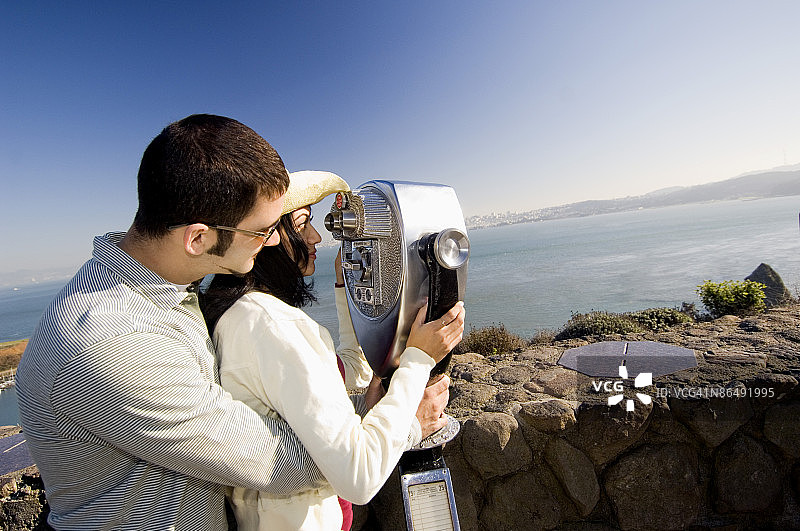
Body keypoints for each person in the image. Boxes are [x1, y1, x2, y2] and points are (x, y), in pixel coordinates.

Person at [15, 114, 450, 530]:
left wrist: (360, 412)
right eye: (262, 230)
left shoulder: (160, 292)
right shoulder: (115, 343)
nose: (276, 238)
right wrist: (405, 420)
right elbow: (281, 462)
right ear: (198, 237)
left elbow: (254, 418)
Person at [200, 170, 466, 531]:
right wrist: (417, 374)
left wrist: (347, 290)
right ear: (269, 238)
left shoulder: (237, 314)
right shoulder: (275, 326)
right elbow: (359, 477)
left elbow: (341, 382)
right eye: (303, 223)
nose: (315, 237)